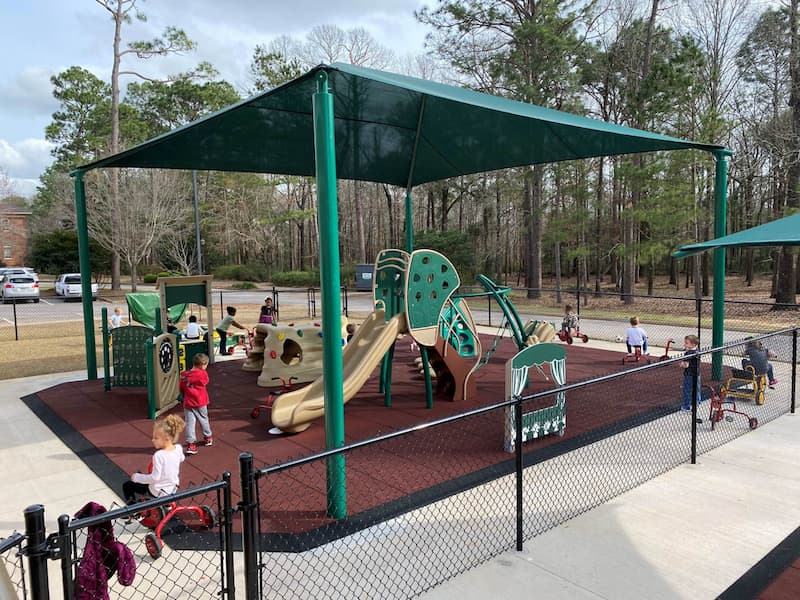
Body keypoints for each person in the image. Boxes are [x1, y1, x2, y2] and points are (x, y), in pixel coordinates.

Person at [122, 415, 186, 505]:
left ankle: (133, 509)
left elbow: (155, 478)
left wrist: (136, 477)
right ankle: (167, 504)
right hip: (172, 489)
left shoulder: (159, 455)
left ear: (167, 439)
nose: (153, 440)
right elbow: (181, 458)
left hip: (157, 491)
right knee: (145, 477)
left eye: (156, 438)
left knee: (127, 486)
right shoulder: (178, 448)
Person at [180, 353, 212, 455]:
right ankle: (207, 437)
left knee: (190, 423)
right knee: (203, 419)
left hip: (188, 402)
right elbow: (205, 381)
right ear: (203, 364)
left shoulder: (184, 375)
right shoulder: (202, 374)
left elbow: (181, 387)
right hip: (201, 401)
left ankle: (191, 444)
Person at [679, 334, 701, 411]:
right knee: (696, 388)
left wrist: (681, 364)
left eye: (686, 343)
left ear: (693, 344)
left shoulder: (688, 353)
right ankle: (697, 402)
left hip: (689, 374)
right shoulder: (697, 351)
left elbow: (686, 365)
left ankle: (686, 406)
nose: (685, 344)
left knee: (687, 390)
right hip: (697, 373)